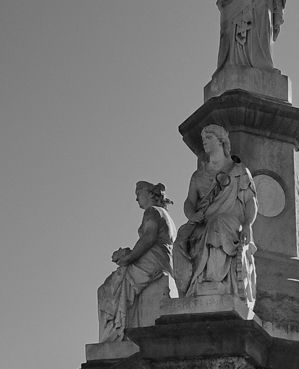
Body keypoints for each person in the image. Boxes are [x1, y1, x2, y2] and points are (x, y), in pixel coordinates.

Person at [174, 125, 258, 305]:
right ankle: (188, 288)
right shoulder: (198, 175)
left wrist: (248, 225)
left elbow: (250, 202)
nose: (204, 141)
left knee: (217, 225)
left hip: (228, 221)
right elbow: (189, 201)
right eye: (203, 138)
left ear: (221, 141)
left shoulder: (238, 171)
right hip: (202, 221)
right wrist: (192, 215)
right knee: (181, 238)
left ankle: (213, 280)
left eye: (209, 137)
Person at [97, 182, 176, 342]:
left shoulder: (152, 211)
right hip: (163, 260)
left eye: (138, 193)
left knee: (108, 289)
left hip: (153, 260)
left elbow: (149, 237)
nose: (136, 198)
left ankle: (114, 334)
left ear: (149, 194)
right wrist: (129, 253)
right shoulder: (165, 215)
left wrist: (129, 257)